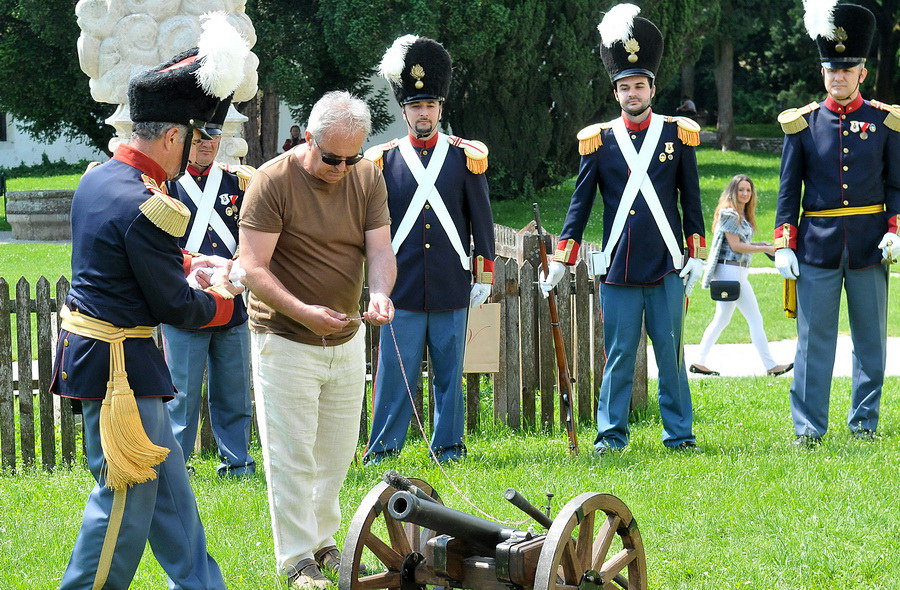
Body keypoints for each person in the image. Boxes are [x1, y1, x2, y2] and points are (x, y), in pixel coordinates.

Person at [48, 13, 248, 588]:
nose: (194, 149)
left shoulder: (101, 178)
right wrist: (229, 296)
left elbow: (126, 257)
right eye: (191, 136)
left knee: (170, 498)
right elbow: (178, 309)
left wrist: (192, 263)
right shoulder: (146, 203)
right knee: (124, 505)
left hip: (115, 361)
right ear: (170, 136)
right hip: (121, 372)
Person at [240, 90, 396, 588]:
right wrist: (305, 313)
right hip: (283, 337)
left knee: (335, 450)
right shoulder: (272, 180)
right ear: (309, 139)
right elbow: (251, 268)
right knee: (291, 454)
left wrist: (380, 295)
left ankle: (325, 543)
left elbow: (381, 248)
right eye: (333, 158)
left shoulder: (367, 175)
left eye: (353, 157)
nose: (343, 167)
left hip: (346, 337)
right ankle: (295, 559)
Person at [539, 4, 707, 454]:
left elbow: (691, 201)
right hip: (619, 269)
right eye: (625, 86)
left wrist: (699, 254)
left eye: (639, 85)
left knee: (671, 358)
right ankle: (611, 436)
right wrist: (562, 260)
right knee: (617, 359)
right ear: (616, 93)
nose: (632, 92)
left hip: (667, 265)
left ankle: (680, 435)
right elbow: (579, 206)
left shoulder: (676, 135)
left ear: (652, 87)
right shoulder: (599, 140)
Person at [362, 35, 495, 465]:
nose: (424, 113)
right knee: (394, 374)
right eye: (416, 107)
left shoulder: (464, 157)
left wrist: (484, 273)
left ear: (440, 109)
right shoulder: (382, 161)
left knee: (448, 373)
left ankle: (449, 446)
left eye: (430, 106)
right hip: (401, 285)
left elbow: (481, 218)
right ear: (404, 111)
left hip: (449, 281)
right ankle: (383, 448)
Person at [774, 2, 898, 447]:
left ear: (862, 72)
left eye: (847, 70)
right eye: (831, 70)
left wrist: (894, 229)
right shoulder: (803, 124)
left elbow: (896, 184)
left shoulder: (885, 122)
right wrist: (784, 243)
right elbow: (789, 192)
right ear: (823, 72)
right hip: (817, 246)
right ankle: (808, 429)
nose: (838, 77)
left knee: (871, 343)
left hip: (869, 246)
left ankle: (864, 423)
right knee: (813, 345)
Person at [162, 97, 256, 477]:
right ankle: (177, 468)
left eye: (213, 137)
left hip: (231, 303)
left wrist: (236, 269)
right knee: (181, 396)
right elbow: (155, 244)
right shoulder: (166, 185)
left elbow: (254, 236)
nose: (207, 144)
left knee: (234, 391)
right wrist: (190, 267)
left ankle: (238, 463)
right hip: (186, 303)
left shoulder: (239, 181)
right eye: (200, 137)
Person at [691, 174, 793, 376]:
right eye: (741, 190)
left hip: (735, 270)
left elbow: (739, 244)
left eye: (748, 190)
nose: (745, 193)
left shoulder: (741, 215)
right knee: (755, 319)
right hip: (730, 271)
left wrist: (761, 245)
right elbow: (736, 246)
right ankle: (771, 366)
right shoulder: (728, 213)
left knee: (722, 319)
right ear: (733, 191)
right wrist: (765, 250)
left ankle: (699, 362)